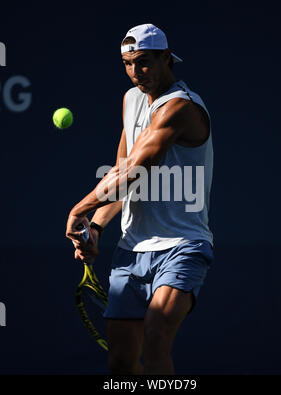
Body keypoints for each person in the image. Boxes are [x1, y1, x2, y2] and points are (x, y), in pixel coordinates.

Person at [66, 23, 214, 375]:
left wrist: (78, 210)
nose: (136, 73)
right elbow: (119, 172)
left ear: (167, 58)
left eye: (144, 62)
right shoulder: (131, 100)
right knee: (120, 363)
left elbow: (134, 171)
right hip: (131, 250)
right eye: (128, 64)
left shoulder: (180, 107)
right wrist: (97, 227)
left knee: (156, 334)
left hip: (184, 245)